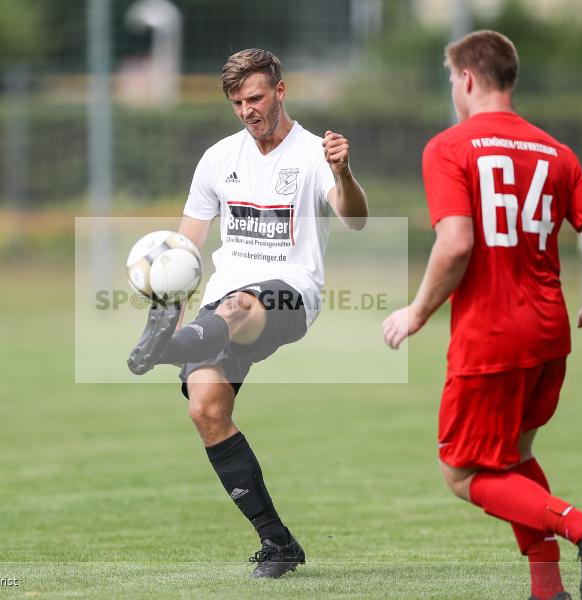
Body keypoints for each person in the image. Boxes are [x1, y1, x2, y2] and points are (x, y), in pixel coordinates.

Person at [382, 31, 582, 600]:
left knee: (462, 472)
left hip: (491, 335)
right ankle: (548, 589)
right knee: (514, 457)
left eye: (451, 81)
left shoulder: (449, 147)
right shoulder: (556, 152)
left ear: (466, 78)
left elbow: (456, 244)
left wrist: (417, 311)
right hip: (549, 332)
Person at [127, 48, 368, 578]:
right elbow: (186, 249)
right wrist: (169, 296)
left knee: (238, 306)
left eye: (255, 98)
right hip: (223, 299)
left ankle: (171, 345)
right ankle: (277, 543)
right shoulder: (218, 158)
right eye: (237, 102)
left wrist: (343, 172)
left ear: (280, 91)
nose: (247, 110)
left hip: (291, 294)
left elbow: (355, 219)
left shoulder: (313, 153)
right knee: (206, 410)